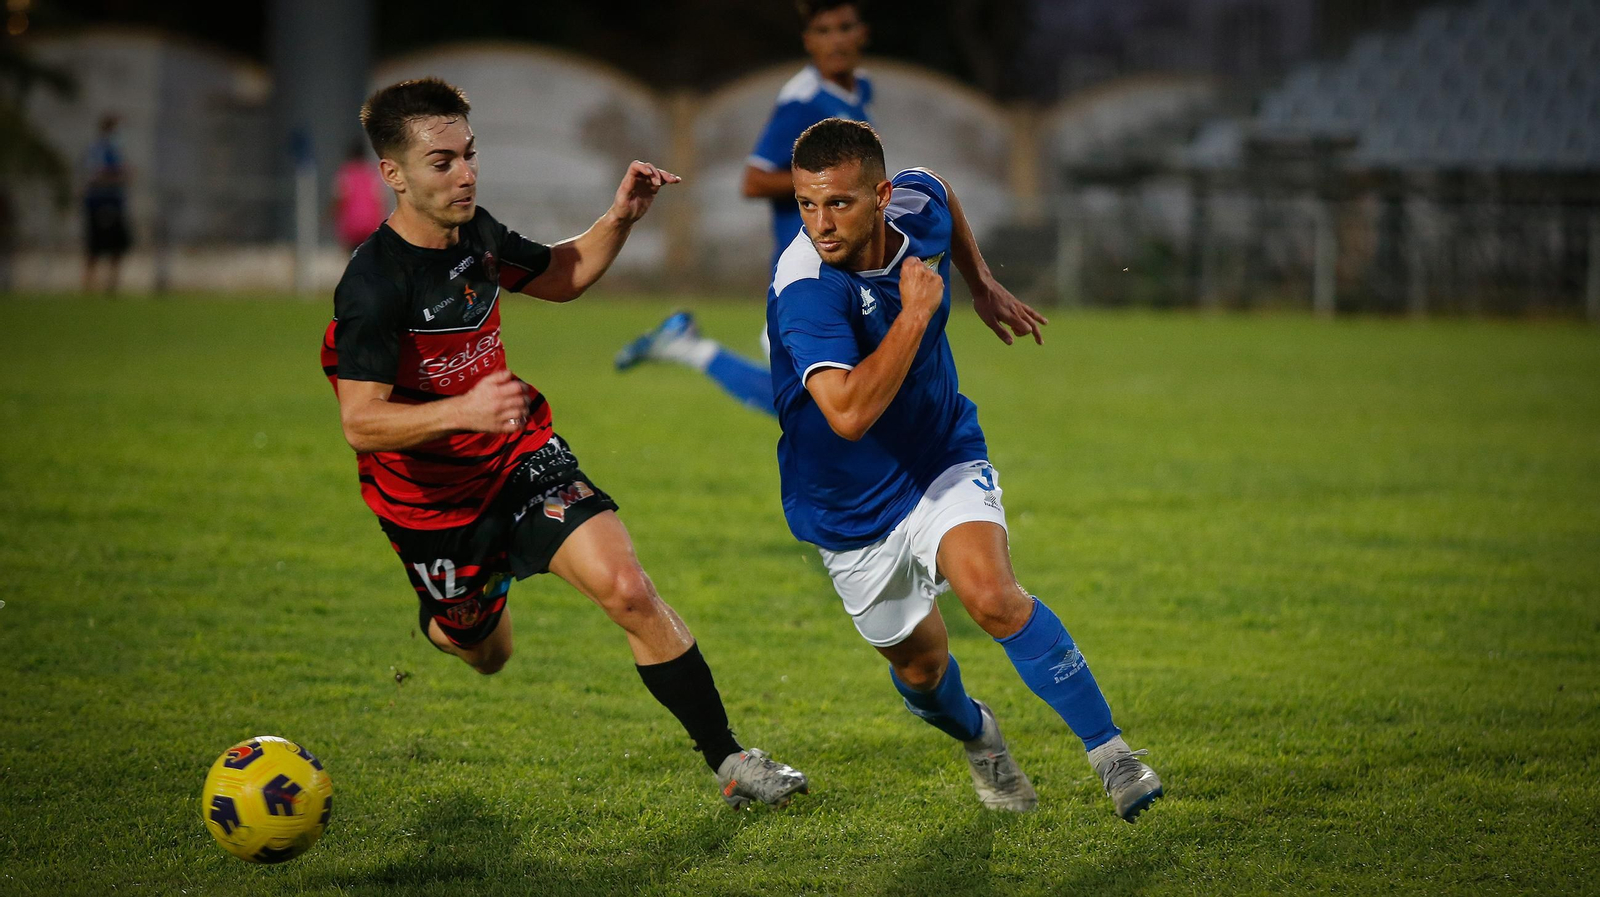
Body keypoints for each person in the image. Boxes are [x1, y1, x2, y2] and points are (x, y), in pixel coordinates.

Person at [319, 78, 808, 810]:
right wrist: (465, 408)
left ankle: (731, 760)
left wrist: (621, 216)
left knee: (629, 590)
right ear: (393, 173)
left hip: (519, 456)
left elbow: (562, 273)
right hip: (432, 504)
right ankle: (452, 614)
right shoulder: (372, 285)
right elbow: (361, 421)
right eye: (442, 162)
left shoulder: (476, 234)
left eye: (469, 154)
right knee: (487, 654)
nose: (465, 174)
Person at [767, 118, 1164, 821]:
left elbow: (940, 191)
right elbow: (848, 413)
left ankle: (1113, 756)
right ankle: (980, 736)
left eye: (839, 203)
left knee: (993, 596)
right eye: (806, 204)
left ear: (881, 196)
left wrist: (981, 284)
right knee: (921, 672)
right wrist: (916, 316)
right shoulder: (806, 288)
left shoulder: (915, 209)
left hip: (939, 454)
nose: (820, 224)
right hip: (846, 505)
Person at [614, 0, 872, 415]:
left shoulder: (859, 90)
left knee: (831, 403)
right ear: (808, 40)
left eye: (845, 27)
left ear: (863, 33)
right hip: (807, 267)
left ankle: (686, 346)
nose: (836, 41)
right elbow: (754, 180)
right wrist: (836, 183)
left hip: (844, 265)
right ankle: (688, 347)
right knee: (827, 405)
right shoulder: (802, 102)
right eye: (824, 31)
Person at [82, 113, 130, 294]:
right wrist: (119, 176)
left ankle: (112, 284)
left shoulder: (116, 150)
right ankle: (88, 284)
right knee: (95, 246)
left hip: (115, 201)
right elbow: (95, 175)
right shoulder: (98, 149)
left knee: (117, 246)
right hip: (99, 202)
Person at [331, 140, 388, 252]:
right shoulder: (372, 173)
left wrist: (331, 215)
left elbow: (339, 199)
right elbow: (379, 200)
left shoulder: (346, 173)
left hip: (352, 226)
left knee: (353, 255)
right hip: (371, 224)